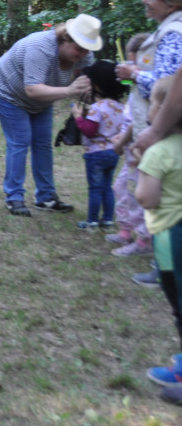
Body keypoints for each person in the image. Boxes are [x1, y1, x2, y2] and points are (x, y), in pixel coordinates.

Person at [0, 14, 100, 216]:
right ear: (66, 38)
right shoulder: (41, 48)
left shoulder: (85, 56)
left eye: (86, 50)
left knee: (43, 143)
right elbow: (32, 89)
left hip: (42, 97)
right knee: (20, 140)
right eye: (78, 48)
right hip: (7, 90)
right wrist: (69, 90)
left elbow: (88, 87)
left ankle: (46, 197)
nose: (82, 54)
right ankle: (14, 197)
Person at [113, 0, 182, 253]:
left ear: (171, 4)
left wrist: (134, 73)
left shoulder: (174, 35)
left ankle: (162, 259)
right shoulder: (166, 29)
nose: (145, 0)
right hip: (159, 125)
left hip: (166, 129)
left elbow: (169, 86)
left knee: (163, 195)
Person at [131, 78, 182, 405]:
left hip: (168, 237)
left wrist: (142, 170)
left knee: (177, 297)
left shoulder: (158, 152)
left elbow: (147, 199)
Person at [108, 33, 155, 256]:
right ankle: (126, 229)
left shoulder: (152, 86)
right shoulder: (136, 90)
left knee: (142, 194)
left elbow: (144, 120)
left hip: (143, 151)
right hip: (130, 152)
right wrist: (122, 140)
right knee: (121, 187)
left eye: (133, 62)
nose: (129, 68)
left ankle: (145, 240)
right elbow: (133, 119)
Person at [70, 61, 128, 229]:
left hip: (96, 154)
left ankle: (92, 221)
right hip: (113, 153)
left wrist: (78, 116)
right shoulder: (120, 107)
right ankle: (108, 219)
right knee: (107, 187)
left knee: (95, 188)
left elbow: (89, 130)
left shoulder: (97, 108)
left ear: (97, 85)